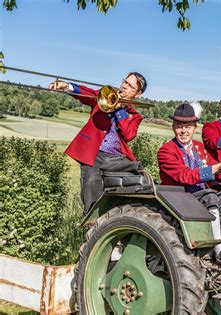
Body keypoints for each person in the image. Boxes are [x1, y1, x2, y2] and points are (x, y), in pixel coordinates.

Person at [49, 72, 147, 214]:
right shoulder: (105, 96)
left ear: (137, 94)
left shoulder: (135, 115)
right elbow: (86, 93)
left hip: (115, 157)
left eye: (130, 85)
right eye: (125, 82)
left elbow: (129, 134)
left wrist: (120, 109)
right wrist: (66, 86)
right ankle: (91, 221)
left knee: (133, 182)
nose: (124, 86)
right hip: (94, 153)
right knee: (90, 186)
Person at [157, 102, 221, 267]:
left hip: (201, 194)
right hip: (181, 198)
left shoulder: (199, 148)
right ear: (173, 127)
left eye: (188, 127)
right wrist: (217, 167)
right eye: (179, 126)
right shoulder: (166, 151)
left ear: (195, 128)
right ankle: (219, 248)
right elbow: (186, 176)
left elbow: (215, 174)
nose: (184, 131)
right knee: (210, 196)